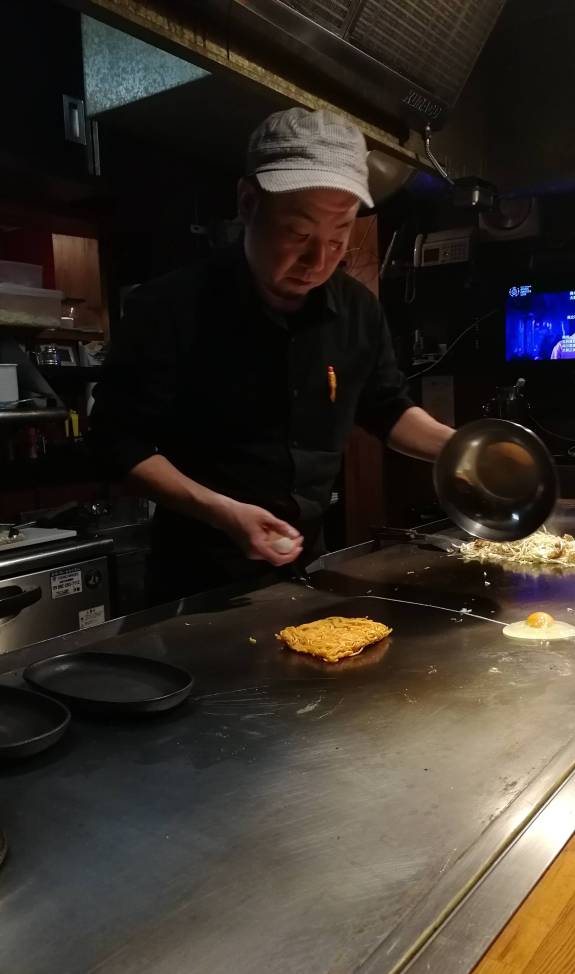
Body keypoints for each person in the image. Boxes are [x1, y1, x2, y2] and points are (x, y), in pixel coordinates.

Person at [89, 108, 454, 604]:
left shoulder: (357, 310)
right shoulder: (169, 307)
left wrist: (465, 450)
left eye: (338, 237)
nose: (318, 261)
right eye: (298, 235)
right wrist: (222, 512)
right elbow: (117, 443)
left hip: (308, 568)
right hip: (197, 581)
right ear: (248, 203)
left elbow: (386, 407)